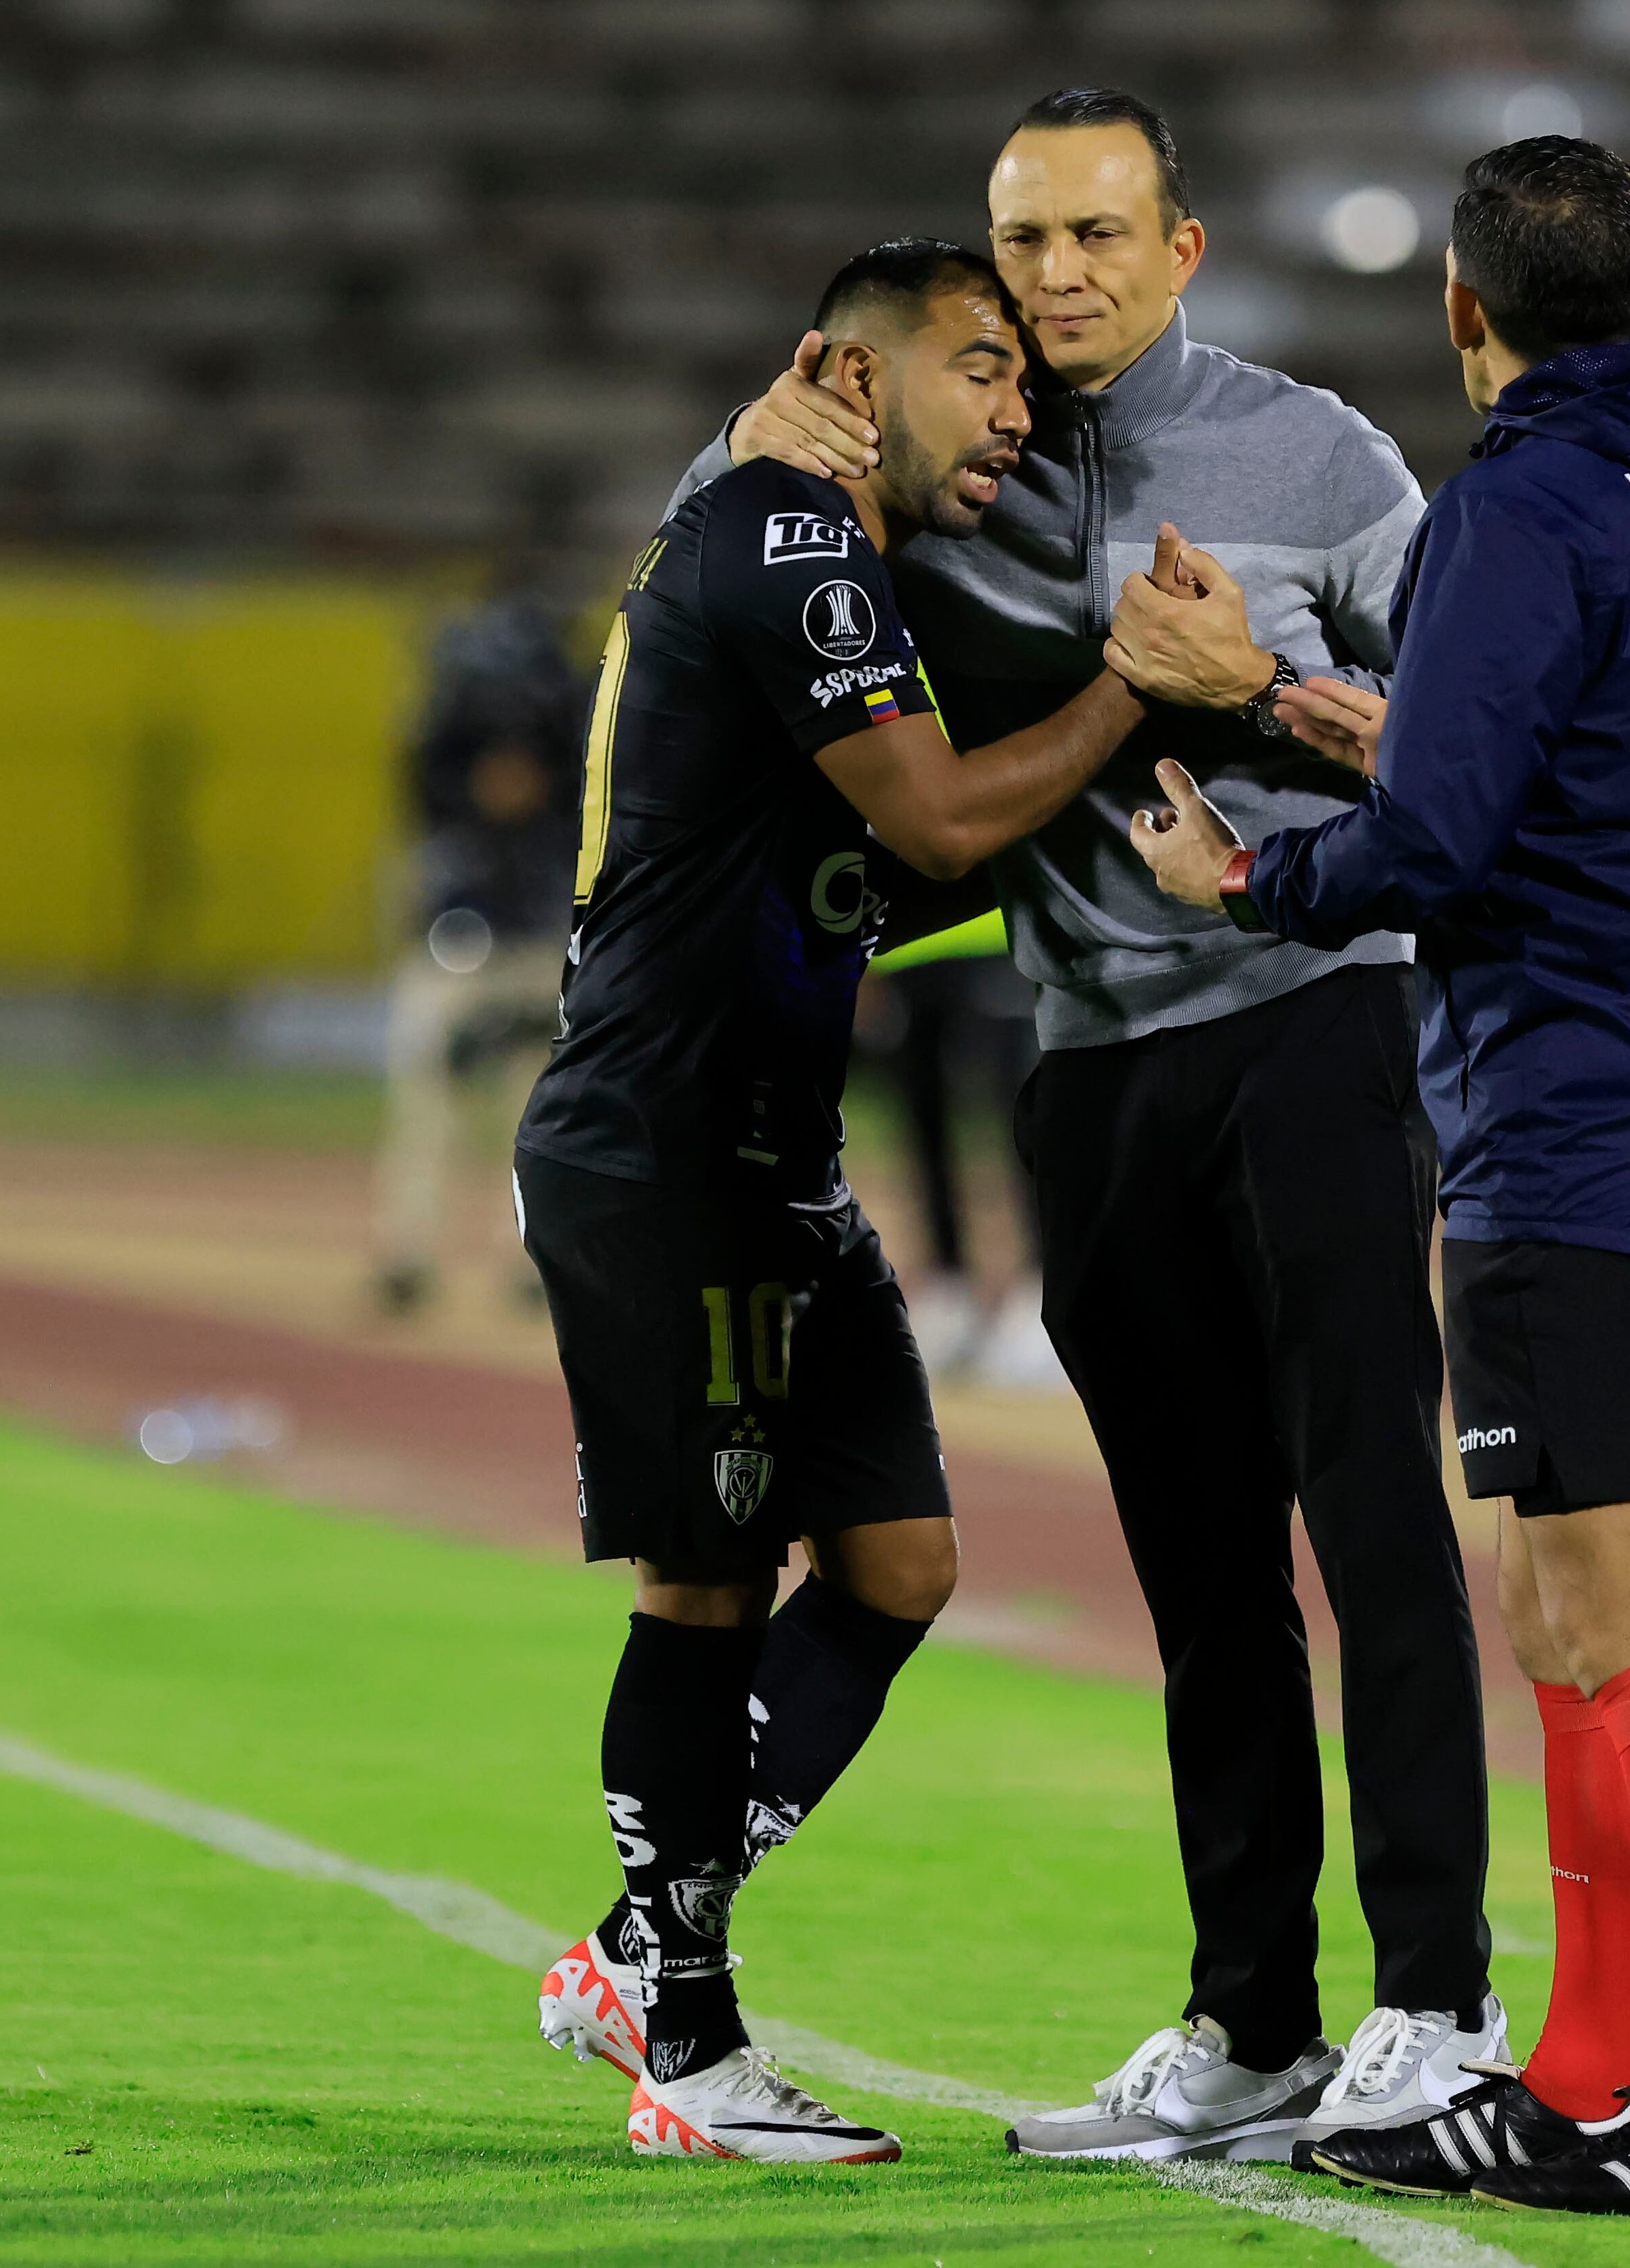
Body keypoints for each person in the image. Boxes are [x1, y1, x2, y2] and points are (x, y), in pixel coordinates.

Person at [711, 88, 1499, 2163]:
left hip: (1312, 1033)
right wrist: (743, 440)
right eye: (1024, 239)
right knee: (1198, 1575)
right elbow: (732, 587)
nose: (1057, 275)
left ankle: (1437, 2004)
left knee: (1376, 1529)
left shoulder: (1312, 451)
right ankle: (1250, 2020)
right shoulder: (939, 454)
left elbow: (1468, 748)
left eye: (1095, 235)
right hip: (1090, 1066)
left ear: (1182, 252)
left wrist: (1253, 695)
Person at [1129, 137, 1630, 2218]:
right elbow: (1561, 783)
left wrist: (1243, 871)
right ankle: (1586, 2077)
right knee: (1557, 1609)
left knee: (1626, 1611)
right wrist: (1305, 711)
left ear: (1461, 310)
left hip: (1578, 1107)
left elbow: (1439, 847)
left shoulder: (1516, 501)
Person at [515, 237, 1150, 2163]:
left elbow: (864, 872)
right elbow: (940, 817)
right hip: (672, 1138)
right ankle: (688, 2049)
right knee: (704, 1583)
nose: (1017, 409)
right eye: (982, 365)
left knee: (896, 1565)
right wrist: (1142, 689)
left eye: (1025, 380)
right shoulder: (792, 538)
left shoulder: (799, 537)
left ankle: (645, 1938)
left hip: (775, 1149)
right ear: (847, 376)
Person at [373, 570, 585, 1315]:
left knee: (536, 1104)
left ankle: (522, 1260)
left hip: (530, 933)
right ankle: (410, 1250)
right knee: (440, 1096)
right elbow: (421, 796)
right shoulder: (456, 725)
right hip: (464, 931)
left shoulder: (565, 716)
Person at [859, 910, 1063, 1387]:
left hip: (997, 929)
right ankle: (950, 1291)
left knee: (1016, 1110)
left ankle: (1038, 1291)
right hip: (907, 944)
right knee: (922, 1118)